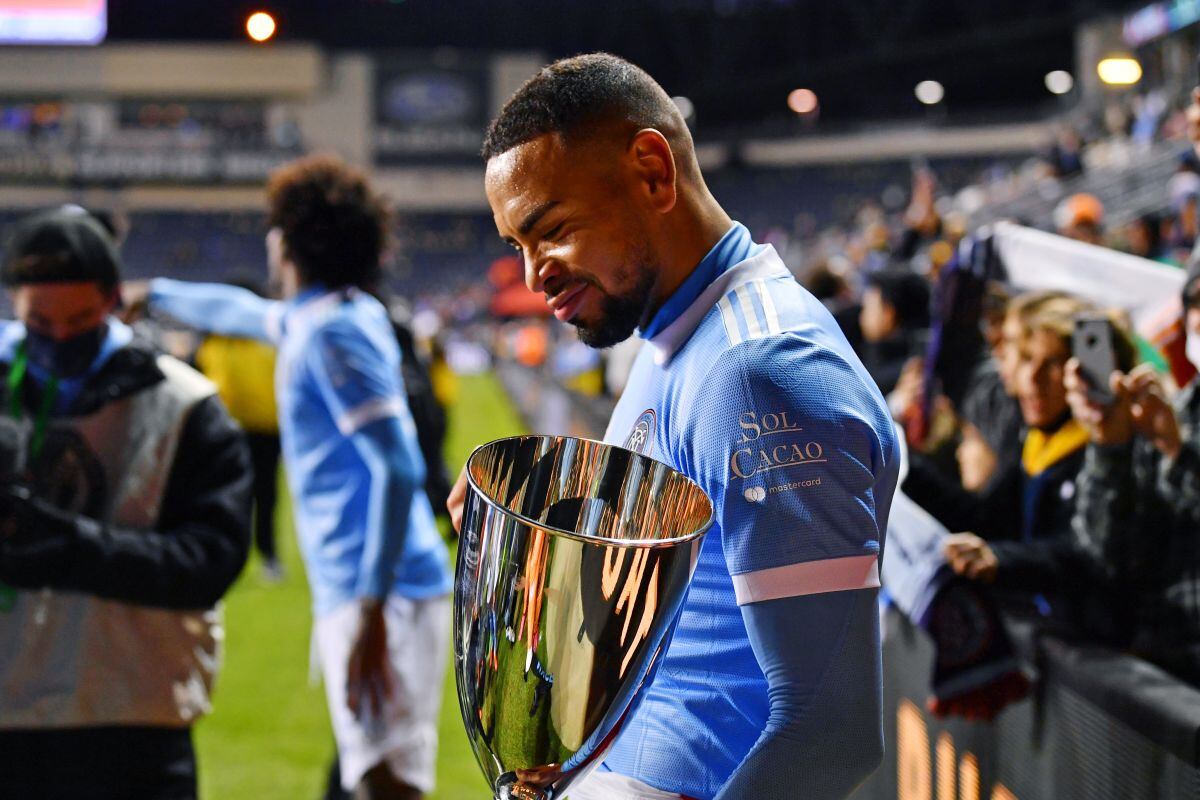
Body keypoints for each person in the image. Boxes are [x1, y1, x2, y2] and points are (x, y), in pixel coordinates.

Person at [452, 53, 899, 800]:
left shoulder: (757, 366)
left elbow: (831, 729)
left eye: (551, 229)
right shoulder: (680, 344)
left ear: (653, 171)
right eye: (517, 247)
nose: (534, 276)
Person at [135, 155, 453, 800]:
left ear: (289, 242)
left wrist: (369, 612)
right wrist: (153, 293)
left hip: (386, 593)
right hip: (373, 583)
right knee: (358, 774)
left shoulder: (331, 335)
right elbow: (239, 310)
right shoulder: (329, 314)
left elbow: (399, 469)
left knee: (388, 784)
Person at [0, 208, 252, 799]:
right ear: (16, 306)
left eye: (80, 320)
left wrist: (69, 548)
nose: (59, 339)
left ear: (115, 301)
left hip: (132, 716)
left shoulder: (186, 405)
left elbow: (211, 561)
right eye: (40, 322)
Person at [943, 296, 1136, 639]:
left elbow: (1083, 555)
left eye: (1054, 363)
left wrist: (1002, 560)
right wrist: (904, 472)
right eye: (1027, 359)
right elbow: (987, 518)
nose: (1032, 378)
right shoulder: (1033, 437)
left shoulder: (1114, 447)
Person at [1065, 257, 1200, 682]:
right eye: (1195, 301)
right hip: (1164, 681)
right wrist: (1111, 445)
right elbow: (1105, 553)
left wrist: (1180, 455)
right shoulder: (1168, 412)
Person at [193, 279, 284, 580]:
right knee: (229, 498)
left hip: (267, 433)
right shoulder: (215, 344)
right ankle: (229, 556)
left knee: (266, 496)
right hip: (227, 433)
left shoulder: (269, 343)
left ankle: (268, 555)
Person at [857, 268, 930, 395]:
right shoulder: (926, 355)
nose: (861, 318)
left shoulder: (905, 377)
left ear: (888, 313)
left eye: (867, 308)